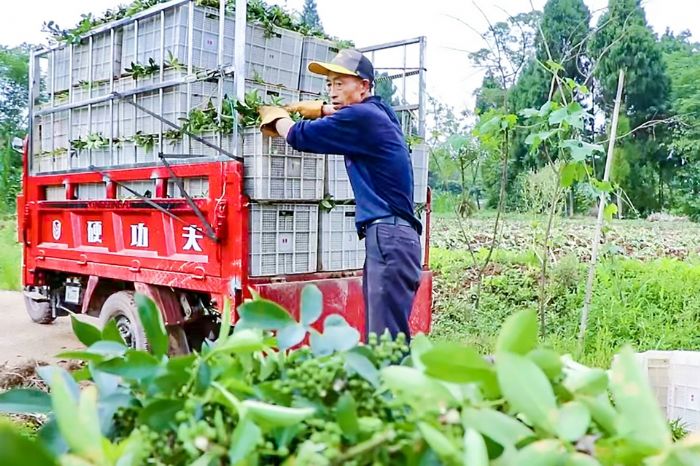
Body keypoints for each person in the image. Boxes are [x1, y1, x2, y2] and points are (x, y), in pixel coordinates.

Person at [257, 49, 422, 341]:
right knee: (385, 339)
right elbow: (355, 113)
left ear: (364, 85)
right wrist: (322, 109)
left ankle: (396, 387)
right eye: (329, 84)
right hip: (396, 238)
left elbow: (299, 136)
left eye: (340, 83)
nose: (333, 91)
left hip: (388, 236)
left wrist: (279, 117)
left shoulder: (362, 118)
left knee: (386, 344)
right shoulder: (381, 112)